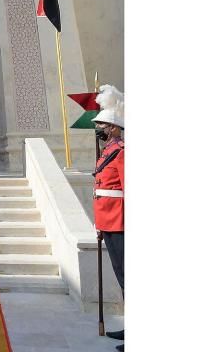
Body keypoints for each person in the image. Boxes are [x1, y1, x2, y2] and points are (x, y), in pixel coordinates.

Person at [92, 84, 125, 350]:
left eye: (103, 125)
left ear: (114, 128)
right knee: (122, 275)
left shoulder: (123, 151)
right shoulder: (109, 151)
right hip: (109, 220)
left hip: (121, 221)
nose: (100, 129)